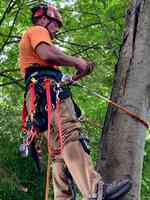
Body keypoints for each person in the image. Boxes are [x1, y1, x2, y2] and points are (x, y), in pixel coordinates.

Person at [19, 3, 132, 200]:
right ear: (44, 19)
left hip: (37, 99)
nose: (56, 29)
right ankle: (95, 190)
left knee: (58, 152)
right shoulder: (37, 30)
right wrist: (76, 61)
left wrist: (72, 77)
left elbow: (46, 63)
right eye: (55, 24)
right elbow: (48, 53)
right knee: (70, 134)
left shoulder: (34, 58)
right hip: (46, 92)